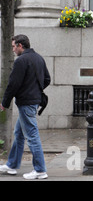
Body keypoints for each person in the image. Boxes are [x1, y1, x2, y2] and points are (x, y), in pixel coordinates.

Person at [0, 34, 51, 180]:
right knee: (19, 133)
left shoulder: (21, 61)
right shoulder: (39, 58)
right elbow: (47, 79)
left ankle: (40, 170)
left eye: (14, 46)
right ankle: (12, 165)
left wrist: (4, 103)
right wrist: (34, 89)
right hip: (33, 101)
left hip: (26, 103)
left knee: (32, 135)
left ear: (21, 45)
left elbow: (13, 85)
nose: (13, 50)